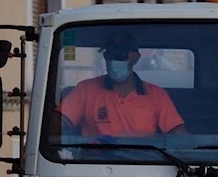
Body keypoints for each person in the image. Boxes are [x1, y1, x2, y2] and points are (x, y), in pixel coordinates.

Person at [58, 31, 188, 138]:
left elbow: (178, 136)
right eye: (108, 55)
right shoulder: (85, 90)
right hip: (93, 165)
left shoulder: (157, 96)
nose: (113, 60)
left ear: (135, 58)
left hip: (144, 166)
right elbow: (57, 123)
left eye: (120, 55)